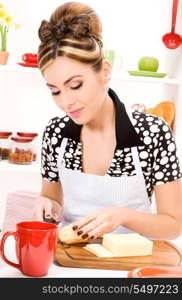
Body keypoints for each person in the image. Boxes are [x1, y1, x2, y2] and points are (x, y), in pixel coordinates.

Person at [32, 1, 182, 240]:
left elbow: (173, 225)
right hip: (70, 263)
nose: (66, 102)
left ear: (105, 72)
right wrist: (47, 205)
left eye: (75, 85)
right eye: (55, 91)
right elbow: (53, 200)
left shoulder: (153, 132)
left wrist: (123, 216)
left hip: (131, 268)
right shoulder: (56, 133)